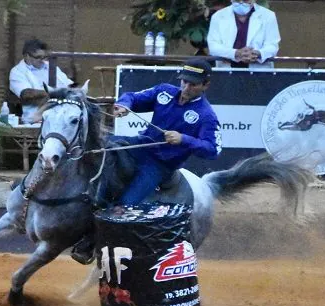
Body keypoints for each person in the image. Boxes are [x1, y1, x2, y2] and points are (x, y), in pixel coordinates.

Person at [70, 58, 222, 264]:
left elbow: (212, 149)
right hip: (141, 146)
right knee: (104, 152)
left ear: (206, 85)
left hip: (161, 165)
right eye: (184, 82)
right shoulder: (164, 92)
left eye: (192, 84)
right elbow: (133, 97)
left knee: (126, 205)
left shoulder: (206, 116)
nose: (186, 87)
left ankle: (90, 244)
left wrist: (183, 139)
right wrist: (124, 105)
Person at [9, 38, 74, 124]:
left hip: (63, 115)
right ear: (27, 56)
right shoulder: (17, 71)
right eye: (38, 57)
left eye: (44, 57)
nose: (42, 60)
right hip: (37, 118)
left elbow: (69, 85)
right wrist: (54, 94)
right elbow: (26, 93)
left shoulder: (50, 66)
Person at [207, 0, 281, 69]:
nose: (241, 3)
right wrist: (236, 53)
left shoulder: (268, 16)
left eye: (245, 0)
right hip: (227, 70)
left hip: (259, 70)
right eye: (237, 0)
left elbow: (272, 46)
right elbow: (213, 47)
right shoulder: (218, 16)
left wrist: (257, 54)